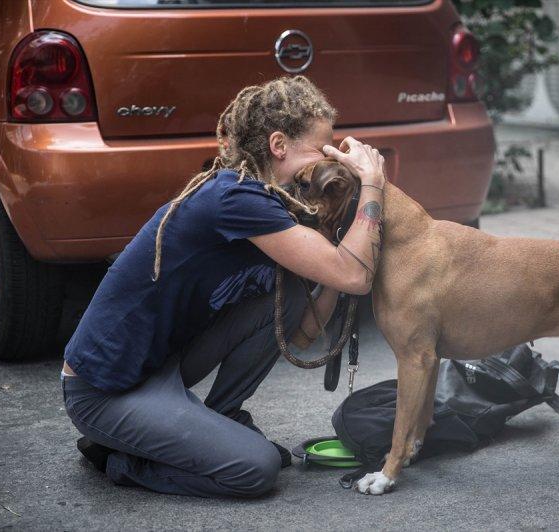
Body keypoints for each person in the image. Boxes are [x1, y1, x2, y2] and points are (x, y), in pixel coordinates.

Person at [60, 76, 386, 498]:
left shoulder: (268, 201)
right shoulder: (235, 198)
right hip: (105, 391)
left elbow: (304, 330)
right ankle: (121, 458)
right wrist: (372, 181)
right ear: (278, 145)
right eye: (320, 148)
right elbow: (356, 275)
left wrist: (334, 242)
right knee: (256, 469)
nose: (328, 157)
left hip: (161, 364)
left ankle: (222, 417)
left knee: (285, 296)